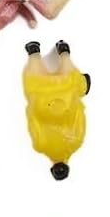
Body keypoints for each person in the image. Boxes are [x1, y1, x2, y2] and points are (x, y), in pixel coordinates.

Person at [20, 40, 90, 180]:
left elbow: (80, 117)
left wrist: (78, 98)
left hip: (66, 91)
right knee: (35, 78)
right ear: (52, 167)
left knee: (70, 77)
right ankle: (34, 52)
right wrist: (31, 106)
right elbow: (32, 122)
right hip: (41, 95)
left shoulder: (76, 143)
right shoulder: (40, 145)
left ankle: (64, 52)